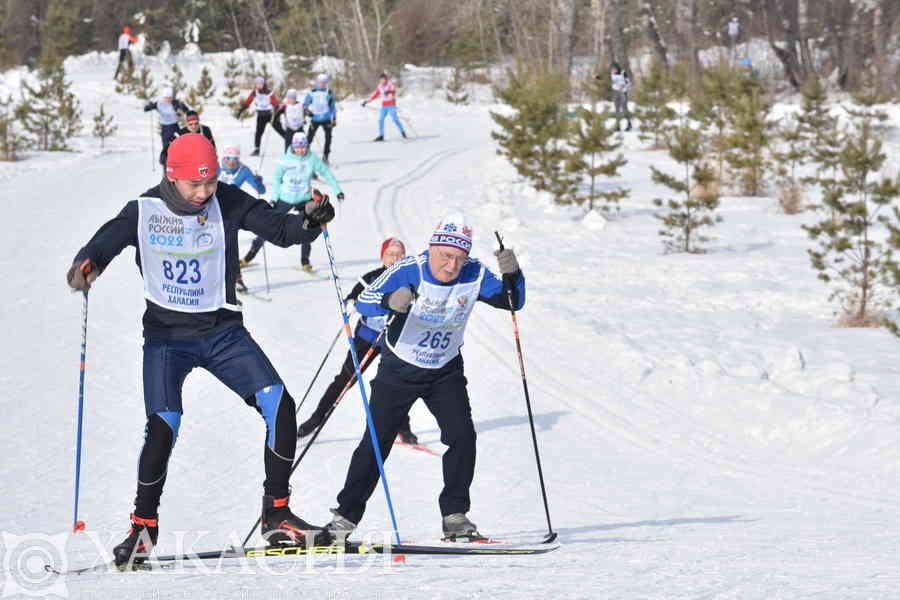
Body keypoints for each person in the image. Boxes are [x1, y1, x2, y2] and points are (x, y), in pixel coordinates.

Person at [66, 133, 336, 567]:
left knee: (281, 407)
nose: (204, 193)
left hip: (223, 333)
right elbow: (106, 242)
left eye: (209, 183)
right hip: (167, 339)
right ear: (172, 177)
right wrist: (87, 263)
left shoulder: (227, 201)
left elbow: (281, 230)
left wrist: (309, 218)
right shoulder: (144, 209)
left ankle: (277, 515)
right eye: (195, 185)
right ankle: (143, 529)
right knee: (163, 425)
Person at [322, 213, 525, 542]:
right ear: (432, 248)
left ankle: (455, 516)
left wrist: (512, 272)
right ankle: (343, 521)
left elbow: (513, 301)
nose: (451, 265)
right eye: (445, 256)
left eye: (459, 258)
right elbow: (365, 301)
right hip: (399, 369)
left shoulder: (474, 273)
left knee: (462, 437)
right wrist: (391, 300)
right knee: (376, 443)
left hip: (445, 370)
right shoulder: (409, 269)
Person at [298, 238, 418, 444]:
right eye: (390, 253)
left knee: (397, 385)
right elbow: (352, 299)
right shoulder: (370, 278)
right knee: (345, 379)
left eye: (400, 254)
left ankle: (402, 427)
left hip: (393, 342)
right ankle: (316, 418)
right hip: (368, 337)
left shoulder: (412, 281)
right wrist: (349, 306)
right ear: (382, 256)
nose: (395, 258)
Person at [241, 133, 344, 273]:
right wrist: (274, 198)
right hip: (285, 198)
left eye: (304, 147)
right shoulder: (285, 159)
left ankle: (305, 261)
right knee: (266, 226)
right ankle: (249, 256)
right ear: (293, 147)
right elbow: (277, 179)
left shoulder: (312, 158)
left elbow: (326, 173)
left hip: (304, 199)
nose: (301, 150)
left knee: (308, 227)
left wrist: (338, 190)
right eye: (298, 147)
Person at [144, 88, 191, 166]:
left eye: (169, 98)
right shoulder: (159, 103)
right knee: (166, 145)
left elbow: (186, 110)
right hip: (165, 127)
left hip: (174, 126)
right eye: (166, 98)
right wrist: (149, 106)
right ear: (163, 97)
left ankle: (180, 160)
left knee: (178, 143)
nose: (168, 100)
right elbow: (146, 109)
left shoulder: (175, 102)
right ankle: (165, 163)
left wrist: (181, 107)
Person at [238, 76, 279, 156]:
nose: (259, 86)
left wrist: (276, 111)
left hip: (270, 115)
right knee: (258, 133)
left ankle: (290, 144)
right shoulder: (254, 93)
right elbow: (248, 102)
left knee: (280, 130)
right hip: (261, 116)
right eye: (257, 84)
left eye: (260, 84)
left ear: (264, 84)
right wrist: (241, 110)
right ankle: (257, 149)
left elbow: (275, 103)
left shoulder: (269, 92)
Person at [361, 73, 406, 142]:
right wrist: (366, 101)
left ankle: (403, 132)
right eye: (380, 80)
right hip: (384, 106)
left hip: (391, 105)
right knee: (380, 120)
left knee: (395, 119)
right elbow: (375, 95)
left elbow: (393, 92)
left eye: (383, 79)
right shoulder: (380, 86)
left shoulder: (390, 85)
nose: (382, 81)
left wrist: (389, 92)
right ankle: (381, 135)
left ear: (386, 79)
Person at [304, 73, 337, 163]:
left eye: (324, 82)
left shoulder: (329, 93)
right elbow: (305, 104)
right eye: (320, 82)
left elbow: (332, 107)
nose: (322, 84)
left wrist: (334, 119)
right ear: (317, 82)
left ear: (327, 83)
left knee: (328, 138)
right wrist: (307, 112)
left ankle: (326, 157)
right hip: (315, 119)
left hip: (326, 119)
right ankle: (304, 156)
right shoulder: (312, 93)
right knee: (309, 138)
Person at [610, 64, 632, 132]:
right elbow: (604, 80)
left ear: (618, 68)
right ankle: (617, 125)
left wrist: (624, 85)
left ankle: (629, 124)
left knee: (624, 108)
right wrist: (596, 76)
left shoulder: (623, 73)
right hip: (615, 93)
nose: (613, 70)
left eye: (615, 69)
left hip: (623, 93)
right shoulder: (611, 75)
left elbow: (628, 82)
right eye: (612, 69)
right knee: (617, 110)